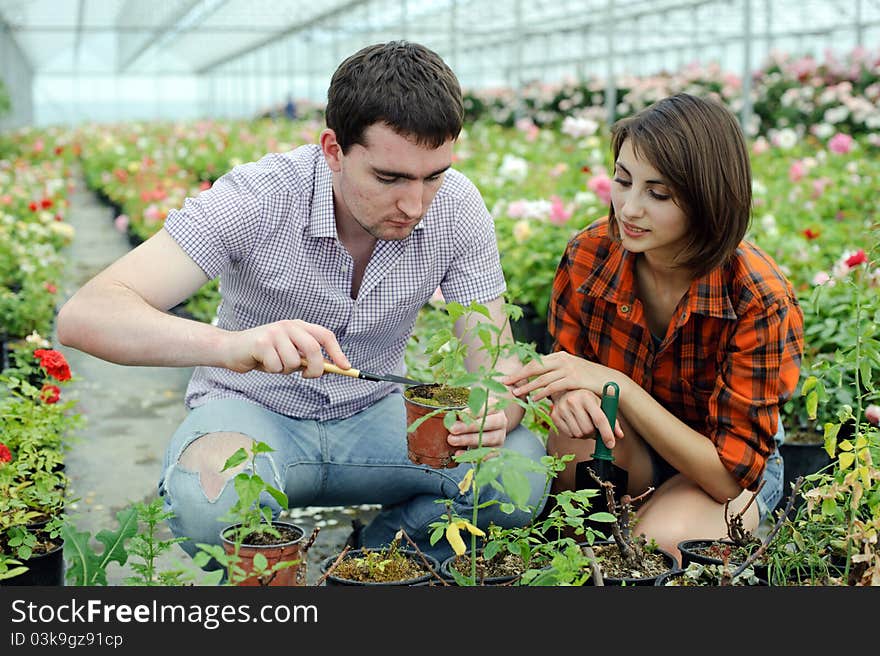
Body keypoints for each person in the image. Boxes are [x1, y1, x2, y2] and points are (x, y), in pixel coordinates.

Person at [56, 40, 546, 563]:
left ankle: (382, 553)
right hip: (253, 412)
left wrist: (497, 411)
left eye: (434, 176)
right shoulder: (259, 196)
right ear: (333, 150)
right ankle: (273, 587)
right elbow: (88, 314)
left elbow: (494, 368)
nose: (415, 204)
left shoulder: (457, 208)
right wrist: (232, 345)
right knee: (209, 501)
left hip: (375, 416)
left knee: (519, 473)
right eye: (389, 177)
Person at [502, 93, 804, 563]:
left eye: (658, 194)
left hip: (720, 473)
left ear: (709, 197)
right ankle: (597, 538)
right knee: (578, 439)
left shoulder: (757, 297)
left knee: (656, 548)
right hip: (628, 449)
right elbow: (568, 374)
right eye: (622, 182)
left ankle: (672, 530)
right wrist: (572, 398)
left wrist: (615, 385)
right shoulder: (589, 256)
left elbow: (729, 473)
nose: (630, 209)